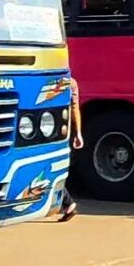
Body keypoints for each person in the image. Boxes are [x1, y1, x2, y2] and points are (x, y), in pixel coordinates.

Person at [58, 77, 84, 222]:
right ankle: (67, 203)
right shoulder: (72, 83)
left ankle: (67, 203)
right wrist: (78, 133)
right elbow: (75, 108)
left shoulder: (53, 81)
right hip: (64, 131)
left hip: (51, 132)